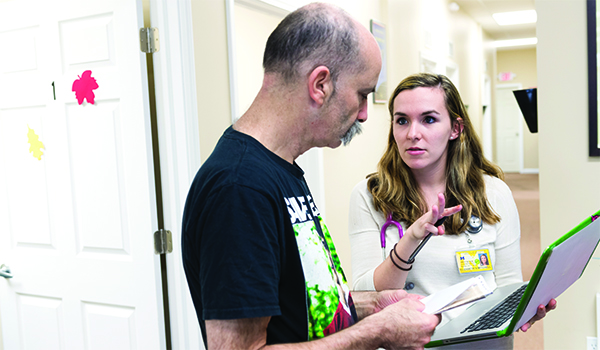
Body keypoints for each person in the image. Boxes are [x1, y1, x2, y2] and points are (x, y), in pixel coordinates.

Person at [182, 4, 441, 349]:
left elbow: (300, 306)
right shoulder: (240, 188)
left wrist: (369, 306)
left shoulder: (280, 169)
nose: (365, 114)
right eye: (363, 94)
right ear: (320, 84)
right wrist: (378, 332)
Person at [348, 73, 556, 349]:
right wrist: (410, 240)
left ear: (455, 128)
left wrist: (527, 307)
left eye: (429, 119)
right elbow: (366, 296)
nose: (412, 133)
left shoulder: (493, 193)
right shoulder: (369, 195)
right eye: (402, 121)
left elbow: (508, 284)